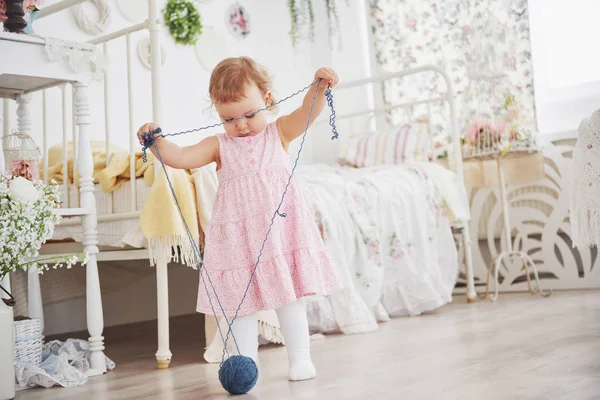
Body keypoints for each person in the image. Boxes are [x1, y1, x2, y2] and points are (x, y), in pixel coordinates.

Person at [137, 57, 342, 381]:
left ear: (268, 99)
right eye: (229, 118)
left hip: (278, 234)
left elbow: (308, 113)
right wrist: (157, 141)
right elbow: (182, 157)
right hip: (238, 239)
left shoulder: (279, 133)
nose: (241, 124)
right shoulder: (218, 145)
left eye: (249, 114)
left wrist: (318, 85)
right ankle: (246, 364)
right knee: (240, 303)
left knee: (288, 298)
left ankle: (300, 358)